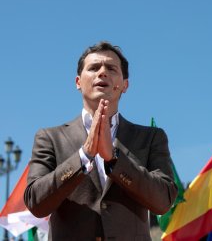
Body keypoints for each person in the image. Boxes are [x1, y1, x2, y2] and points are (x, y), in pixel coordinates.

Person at [24, 41, 178, 240]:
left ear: (125, 85)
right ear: (78, 82)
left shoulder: (151, 137)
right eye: (94, 68)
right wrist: (83, 156)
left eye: (111, 68)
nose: (102, 72)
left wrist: (115, 160)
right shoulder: (49, 138)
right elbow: (36, 202)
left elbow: (163, 201)